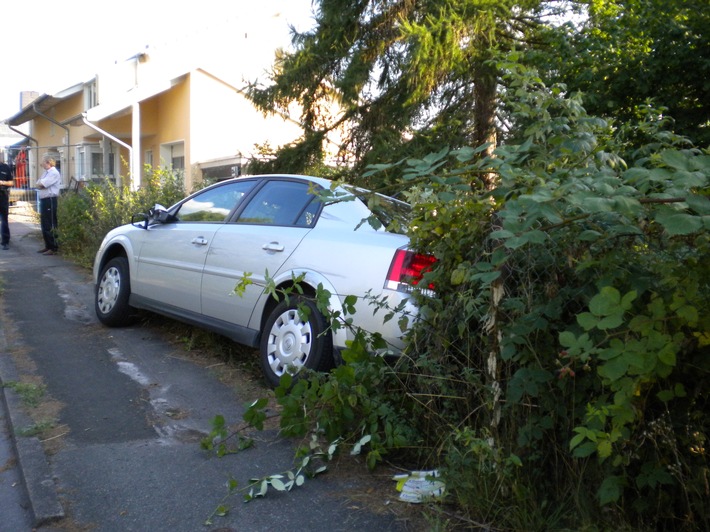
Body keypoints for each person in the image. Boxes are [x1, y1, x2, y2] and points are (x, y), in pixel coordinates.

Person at [36, 155, 61, 255]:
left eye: (44, 162)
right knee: (44, 223)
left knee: (50, 223)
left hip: (50, 199)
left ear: (49, 162)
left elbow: (42, 184)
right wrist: (40, 184)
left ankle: (53, 247)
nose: (42, 164)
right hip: (44, 199)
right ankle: (48, 245)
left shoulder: (54, 173)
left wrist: (41, 184)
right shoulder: (46, 173)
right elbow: (38, 183)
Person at [0, 155, 13, 250]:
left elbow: (11, 183)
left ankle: (5, 241)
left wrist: (2, 183)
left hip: (2, 195)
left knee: (4, 219)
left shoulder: (5, 167)